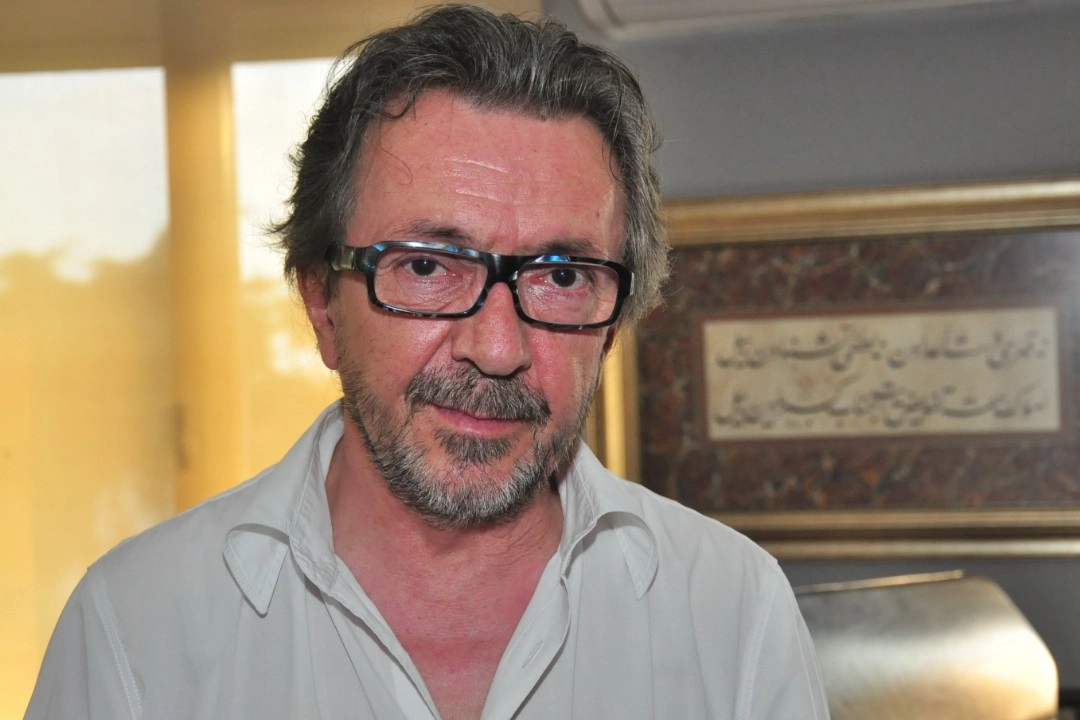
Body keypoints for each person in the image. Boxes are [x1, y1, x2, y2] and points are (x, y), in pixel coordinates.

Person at [26, 5, 829, 719]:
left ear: (611, 329)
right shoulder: (138, 627)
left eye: (560, 277)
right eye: (426, 265)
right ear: (322, 304)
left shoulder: (732, 613)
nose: (498, 349)